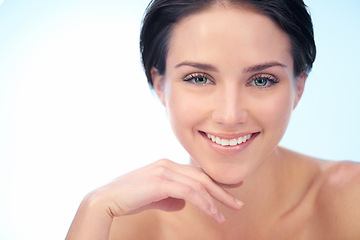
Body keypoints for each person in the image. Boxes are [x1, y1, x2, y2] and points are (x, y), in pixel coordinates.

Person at [66, 0, 360, 239]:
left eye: (261, 80)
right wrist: (92, 210)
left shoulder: (351, 199)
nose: (230, 115)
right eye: (199, 78)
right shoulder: (122, 226)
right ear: (159, 85)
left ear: (299, 87)